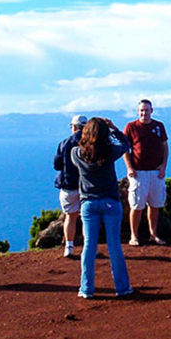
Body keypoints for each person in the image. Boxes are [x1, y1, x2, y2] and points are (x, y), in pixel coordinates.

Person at [70, 117, 133, 299]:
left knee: (89, 246)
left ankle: (86, 289)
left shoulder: (76, 153)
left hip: (88, 204)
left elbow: (75, 142)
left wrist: (81, 131)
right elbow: (125, 143)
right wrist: (113, 128)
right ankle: (122, 288)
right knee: (114, 246)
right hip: (110, 202)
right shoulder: (110, 151)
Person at [123, 99, 168, 246]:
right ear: (138, 111)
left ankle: (153, 234)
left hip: (156, 172)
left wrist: (163, 166)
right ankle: (134, 236)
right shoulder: (131, 127)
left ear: (151, 111)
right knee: (136, 206)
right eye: (141, 110)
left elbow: (165, 147)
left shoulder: (159, 126)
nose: (144, 113)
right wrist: (129, 168)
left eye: (147, 110)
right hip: (138, 173)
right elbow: (125, 149)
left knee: (155, 205)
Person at [53, 114, 87, 258]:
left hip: (68, 186)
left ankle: (69, 247)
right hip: (86, 187)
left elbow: (57, 165)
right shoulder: (91, 143)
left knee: (70, 217)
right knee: (87, 218)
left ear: (73, 127)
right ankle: (88, 247)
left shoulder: (64, 143)